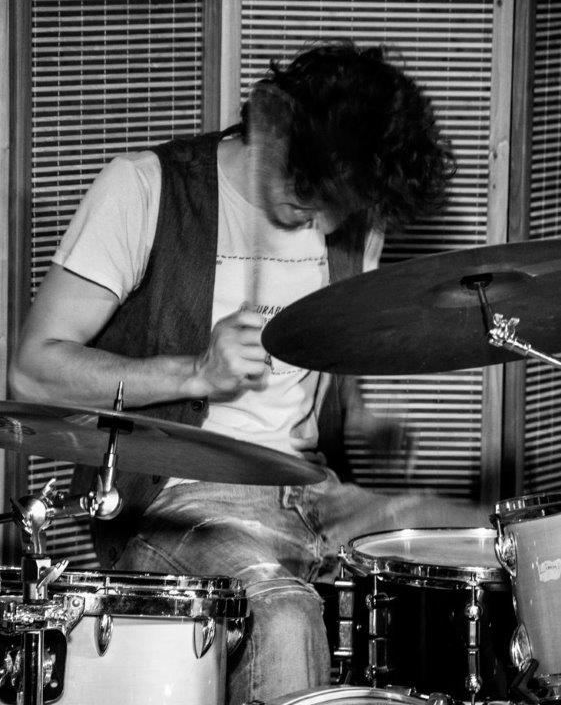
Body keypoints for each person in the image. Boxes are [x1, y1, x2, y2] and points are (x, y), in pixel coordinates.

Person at [9, 40, 487, 704]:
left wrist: (360, 418)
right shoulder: (145, 188)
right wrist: (194, 373)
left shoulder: (353, 220)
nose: (325, 220)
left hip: (311, 490)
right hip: (176, 498)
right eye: (313, 193)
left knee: (492, 552)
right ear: (273, 129)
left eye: (342, 204)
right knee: (282, 613)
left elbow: (305, 371)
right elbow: (32, 371)